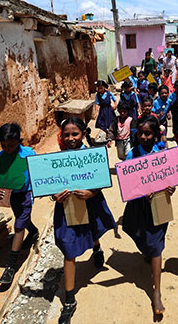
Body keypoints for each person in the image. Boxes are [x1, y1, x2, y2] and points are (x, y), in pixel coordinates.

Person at [51, 117, 117, 324]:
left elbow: (103, 180)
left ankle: (96, 249)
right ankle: (69, 300)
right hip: (67, 209)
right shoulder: (55, 161)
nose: (71, 138)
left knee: (93, 231)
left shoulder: (92, 156)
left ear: (83, 134)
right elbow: (48, 184)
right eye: (67, 134)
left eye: (75, 134)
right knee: (68, 250)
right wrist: (55, 196)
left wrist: (91, 192)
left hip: (91, 203)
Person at [122, 115, 176, 316]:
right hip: (139, 206)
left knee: (155, 246)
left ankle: (156, 291)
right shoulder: (131, 155)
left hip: (160, 204)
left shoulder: (163, 154)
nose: (144, 137)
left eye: (148, 133)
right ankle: (148, 252)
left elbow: (172, 178)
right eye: (141, 133)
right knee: (139, 235)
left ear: (156, 135)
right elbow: (127, 184)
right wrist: (140, 191)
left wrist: (170, 189)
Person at [0, 123, 40, 285]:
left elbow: (39, 170)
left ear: (19, 141)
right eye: (4, 145)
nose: (8, 148)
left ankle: (10, 266)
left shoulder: (28, 154)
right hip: (12, 195)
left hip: (26, 194)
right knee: (21, 218)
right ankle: (34, 231)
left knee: (18, 226)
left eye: (11, 145)